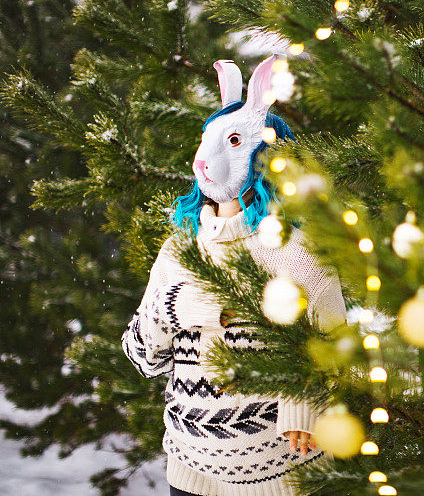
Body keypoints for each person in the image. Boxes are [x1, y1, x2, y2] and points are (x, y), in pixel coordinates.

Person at [121, 57, 346, 495]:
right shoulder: (178, 251)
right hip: (191, 474)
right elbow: (143, 357)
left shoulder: (299, 251)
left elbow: (334, 342)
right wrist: (175, 307)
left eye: (235, 141)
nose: (207, 158)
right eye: (208, 142)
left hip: (283, 475)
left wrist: (305, 408)